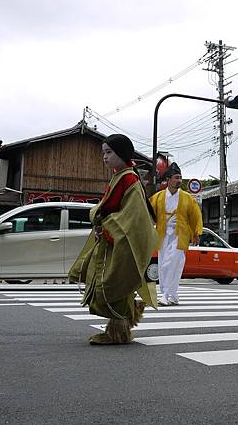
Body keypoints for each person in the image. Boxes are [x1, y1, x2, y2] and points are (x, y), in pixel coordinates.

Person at [68, 134, 158, 345]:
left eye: (109, 152)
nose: (105, 157)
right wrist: (102, 224)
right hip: (113, 240)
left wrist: (106, 227)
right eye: (104, 153)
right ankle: (126, 321)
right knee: (116, 283)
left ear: (122, 154)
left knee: (111, 285)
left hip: (118, 241)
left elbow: (132, 217)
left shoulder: (128, 178)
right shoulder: (122, 176)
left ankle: (118, 332)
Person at [150, 162, 202, 306]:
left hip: (181, 235)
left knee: (171, 263)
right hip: (162, 234)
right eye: (176, 177)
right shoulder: (158, 197)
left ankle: (165, 295)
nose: (179, 180)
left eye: (180, 177)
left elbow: (195, 216)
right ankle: (172, 295)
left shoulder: (187, 198)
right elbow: (149, 212)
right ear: (169, 179)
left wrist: (196, 233)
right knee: (165, 265)